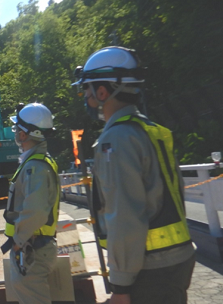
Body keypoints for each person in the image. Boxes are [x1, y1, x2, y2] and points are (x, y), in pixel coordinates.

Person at [72, 46, 196, 304]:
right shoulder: (150, 130)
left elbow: (124, 215)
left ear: (102, 91)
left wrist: (120, 286)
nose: (85, 96)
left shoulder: (116, 139)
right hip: (176, 260)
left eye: (87, 89)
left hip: (148, 269)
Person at [1, 102, 60, 304]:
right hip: (34, 245)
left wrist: (18, 242)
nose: (15, 132)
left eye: (17, 128)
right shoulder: (36, 163)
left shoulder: (34, 167)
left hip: (32, 247)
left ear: (25, 134)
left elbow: (36, 211)